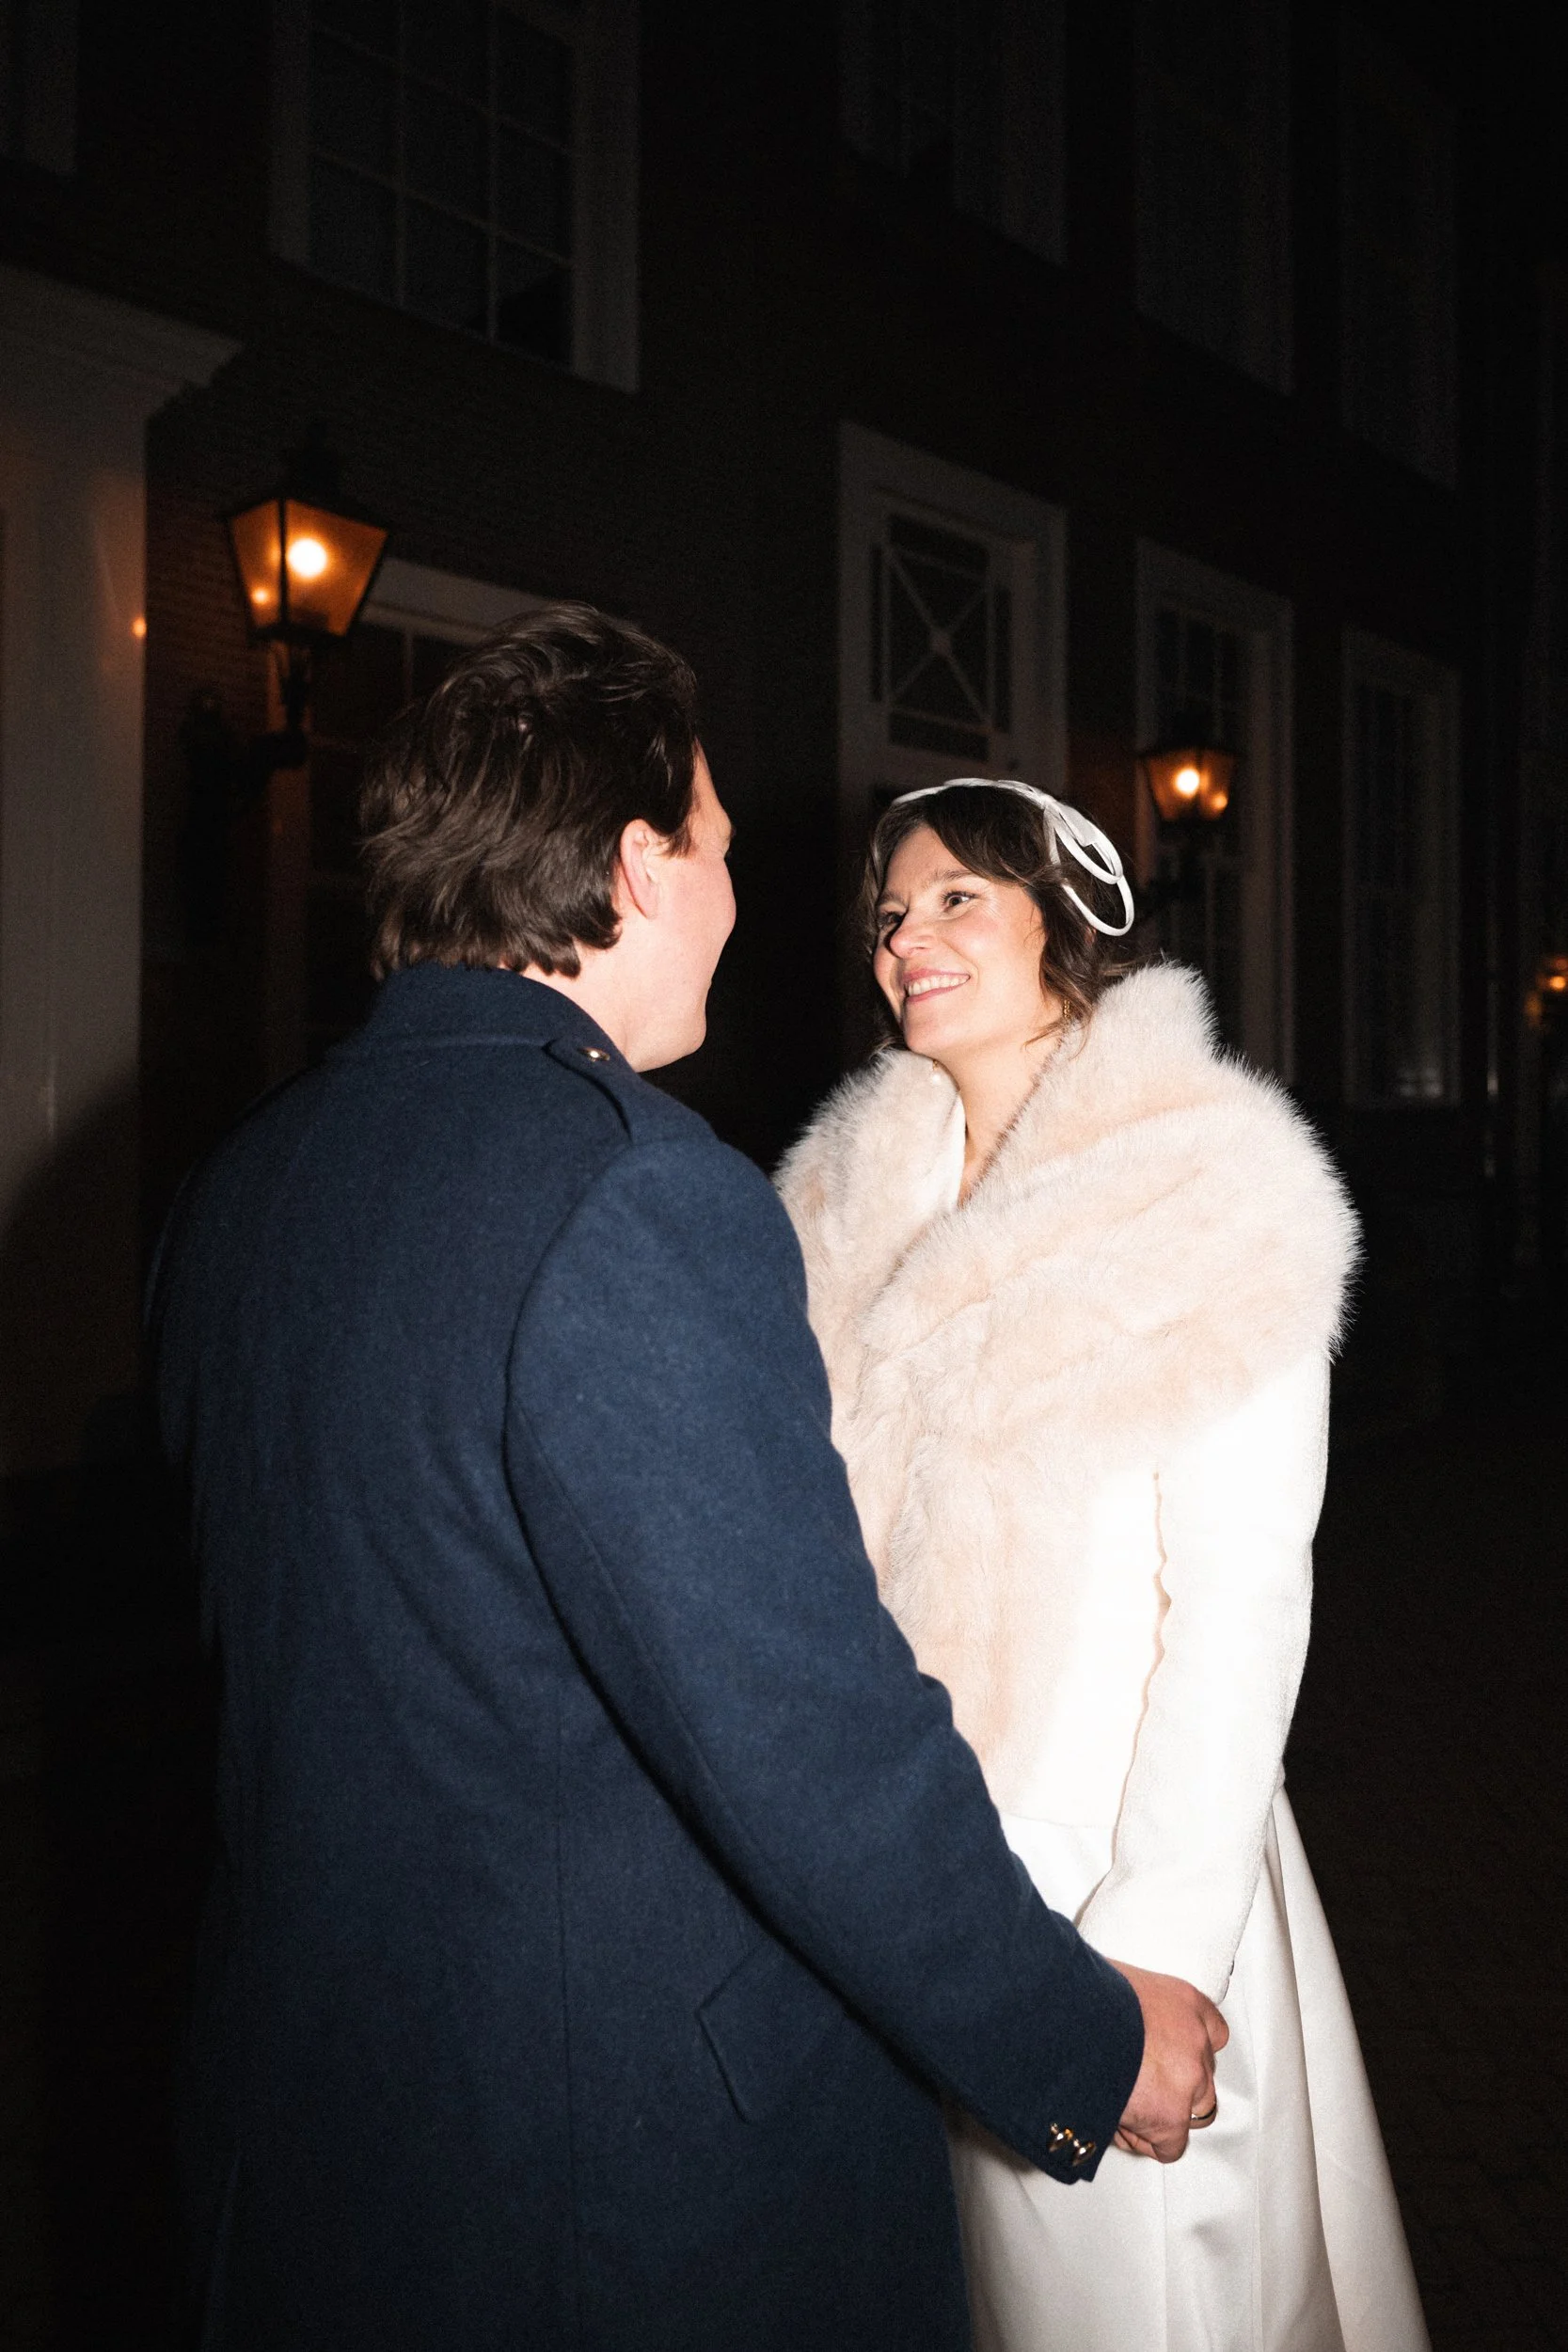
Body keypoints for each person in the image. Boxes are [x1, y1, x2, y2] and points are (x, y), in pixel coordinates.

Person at [150, 614, 1226, 2352]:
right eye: (717, 848)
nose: (736, 900)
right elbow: (801, 1732)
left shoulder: (244, 1184)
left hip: (305, 2134)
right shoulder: (635, 1195)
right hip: (602, 2182)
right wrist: (1078, 2043)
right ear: (641, 867)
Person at [778, 778, 1431, 2352]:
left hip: (1109, 1854)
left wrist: (1155, 1944)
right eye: (889, 913)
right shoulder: (831, 1207)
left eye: (957, 897)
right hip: (906, 1867)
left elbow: (1240, 1595)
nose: (907, 939)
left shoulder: (1210, 1189)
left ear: (1064, 925)